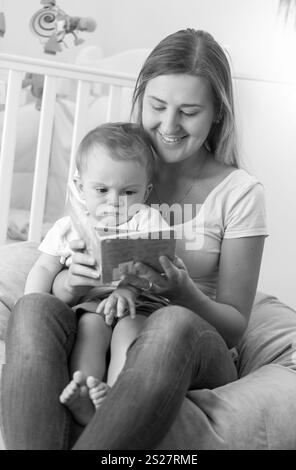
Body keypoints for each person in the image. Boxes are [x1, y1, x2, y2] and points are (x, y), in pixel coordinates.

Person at [1, 28, 271, 450]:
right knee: (34, 308)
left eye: (189, 111)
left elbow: (235, 328)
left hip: (188, 338)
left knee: (170, 322)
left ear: (217, 112)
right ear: (140, 97)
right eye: (158, 105)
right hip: (98, 310)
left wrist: (184, 293)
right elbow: (58, 267)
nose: (169, 124)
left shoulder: (240, 193)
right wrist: (70, 283)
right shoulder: (110, 167)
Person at [24, 122, 170, 426]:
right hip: (93, 304)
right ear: (80, 187)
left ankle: (116, 399)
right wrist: (32, 303)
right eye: (101, 190)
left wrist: (128, 289)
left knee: (128, 337)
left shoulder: (147, 219)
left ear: (147, 191)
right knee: (91, 331)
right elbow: (45, 266)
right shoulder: (69, 226)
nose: (114, 201)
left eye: (128, 192)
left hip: (139, 304)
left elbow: (159, 260)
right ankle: (85, 391)